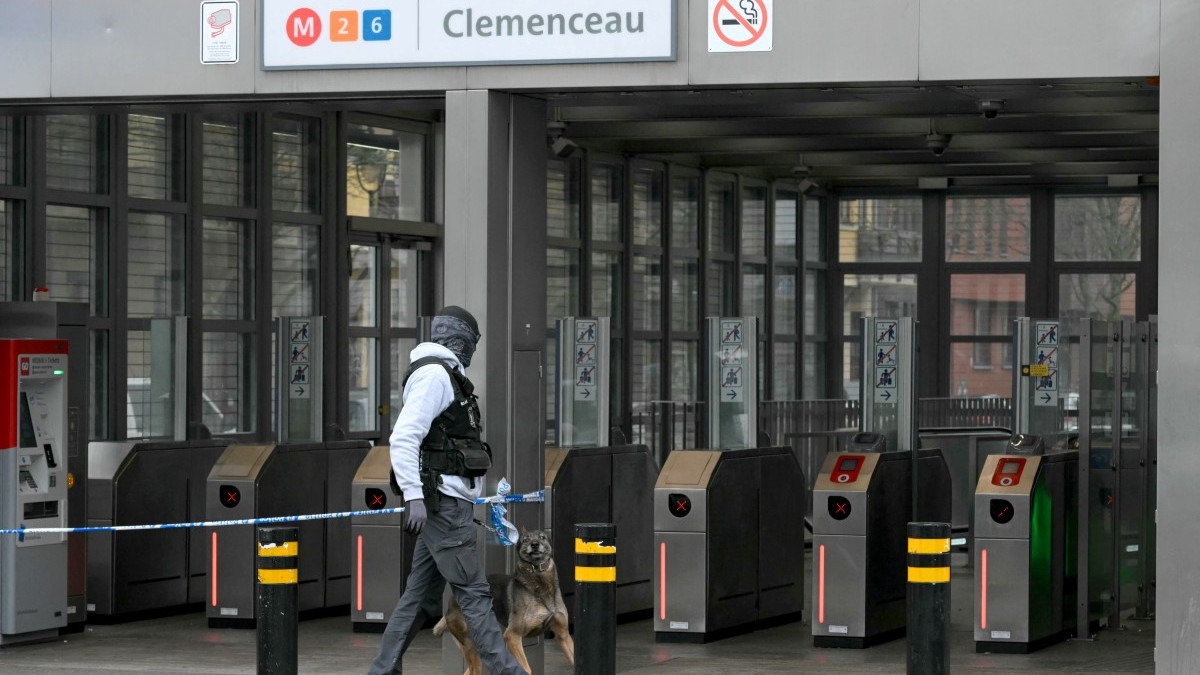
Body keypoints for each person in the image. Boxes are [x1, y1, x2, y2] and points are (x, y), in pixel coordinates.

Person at [368, 306, 524, 675]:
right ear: (460, 339)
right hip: (442, 506)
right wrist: (413, 496)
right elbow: (404, 437)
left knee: (419, 598)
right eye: (472, 341)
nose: (474, 350)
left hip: (443, 505)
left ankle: (382, 671)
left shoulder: (447, 376)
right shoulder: (435, 376)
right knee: (473, 593)